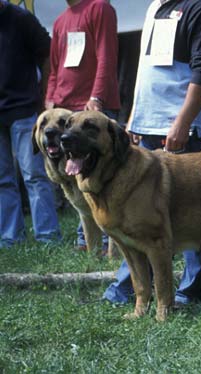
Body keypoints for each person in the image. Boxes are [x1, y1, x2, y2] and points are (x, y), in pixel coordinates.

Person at [102, 0, 201, 306]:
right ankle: (129, 290)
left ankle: (193, 290)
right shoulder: (155, 6)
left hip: (185, 128)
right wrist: (135, 116)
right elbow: (147, 68)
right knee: (139, 219)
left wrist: (183, 122)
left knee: (196, 212)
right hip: (150, 125)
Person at [46, 0, 120, 253]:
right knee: (77, 176)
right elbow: (55, 67)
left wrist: (97, 97)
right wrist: (50, 100)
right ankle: (85, 239)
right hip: (66, 110)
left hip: (91, 109)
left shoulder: (99, 7)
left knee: (105, 178)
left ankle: (112, 239)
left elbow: (106, 55)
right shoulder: (60, 20)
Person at [0, 1, 61, 247]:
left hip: (24, 108)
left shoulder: (20, 18)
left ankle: (48, 237)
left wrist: (43, 95)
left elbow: (48, 55)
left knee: (34, 175)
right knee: (2, 179)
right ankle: (9, 237)